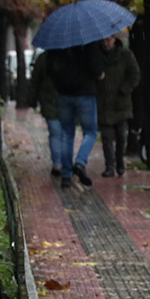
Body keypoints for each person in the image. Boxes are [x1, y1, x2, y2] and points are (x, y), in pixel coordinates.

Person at [48, 40, 106, 189]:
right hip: (85, 93)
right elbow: (96, 67)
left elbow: (50, 67)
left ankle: (66, 175)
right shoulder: (89, 40)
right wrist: (100, 74)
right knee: (91, 132)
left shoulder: (58, 41)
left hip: (63, 93)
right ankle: (80, 162)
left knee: (67, 133)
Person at [96, 35, 141, 177]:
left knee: (121, 135)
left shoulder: (125, 55)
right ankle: (110, 165)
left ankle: (120, 161)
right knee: (107, 136)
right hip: (103, 102)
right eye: (103, 40)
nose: (105, 43)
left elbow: (135, 74)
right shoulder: (97, 54)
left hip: (121, 103)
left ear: (114, 39)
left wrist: (125, 89)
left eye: (108, 40)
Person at [28, 50, 64, 177]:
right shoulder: (45, 59)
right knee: (60, 133)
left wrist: (32, 99)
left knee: (56, 133)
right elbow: (36, 81)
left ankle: (58, 163)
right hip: (58, 102)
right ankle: (60, 163)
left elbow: (35, 81)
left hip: (54, 102)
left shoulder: (43, 58)